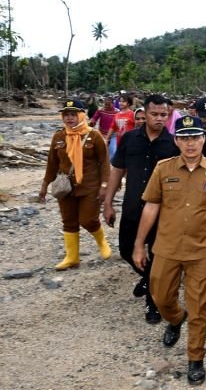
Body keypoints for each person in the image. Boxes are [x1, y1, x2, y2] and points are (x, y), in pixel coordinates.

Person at [132, 116, 206, 386]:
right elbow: (151, 206)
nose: (190, 143)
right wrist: (139, 244)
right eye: (185, 138)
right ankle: (176, 319)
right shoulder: (163, 170)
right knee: (161, 296)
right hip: (166, 247)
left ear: (204, 139)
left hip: (202, 251)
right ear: (176, 141)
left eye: (195, 137)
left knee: (199, 306)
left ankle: (195, 358)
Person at [104, 94, 179, 324]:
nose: (158, 119)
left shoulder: (174, 144)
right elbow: (117, 170)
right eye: (154, 114)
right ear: (144, 114)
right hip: (133, 206)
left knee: (157, 256)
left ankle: (153, 301)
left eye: (163, 115)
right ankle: (148, 278)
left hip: (163, 211)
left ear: (168, 116)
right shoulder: (128, 139)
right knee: (127, 249)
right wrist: (107, 203)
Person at [39, 99, 113, 270]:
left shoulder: (94, 136)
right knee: (69, 221)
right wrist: (44, 186)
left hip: (90, 186)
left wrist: (104, 186)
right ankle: (72, 257)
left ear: (82, 115)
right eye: (66, 115)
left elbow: (104, 162)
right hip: (66, 187)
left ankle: (102, 241)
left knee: (88, 219)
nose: (69, 118)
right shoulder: (59, 136)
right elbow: (52, 163)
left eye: (73, 114)